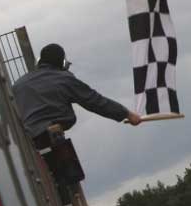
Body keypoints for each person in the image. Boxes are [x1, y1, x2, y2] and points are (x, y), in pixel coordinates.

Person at [13, 43, 141, 149]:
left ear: (39, 61)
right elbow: (95, 101)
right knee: (69, 174)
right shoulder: (64, 79)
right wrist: (126, 114)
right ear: (62, 63)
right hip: (51, 135)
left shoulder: (18, 84)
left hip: (24, 140)